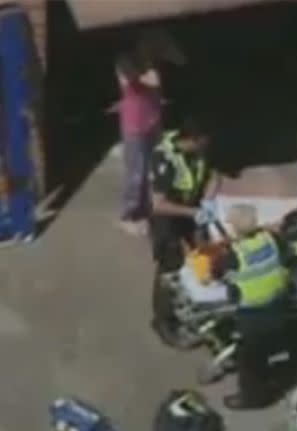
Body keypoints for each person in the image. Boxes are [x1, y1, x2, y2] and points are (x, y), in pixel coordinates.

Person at [148, 118, 221, 347]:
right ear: (192, 140)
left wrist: (208, 201)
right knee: (169, 270)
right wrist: (192, 212)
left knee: (203, 258)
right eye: (203, 143)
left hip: (193, 212)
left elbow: (214, 176)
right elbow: (157, 204)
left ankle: (197, 309)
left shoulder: (200, 151)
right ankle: (164, 321)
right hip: (168, 218)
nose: (206, 148)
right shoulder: (163, 158)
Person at [211, 204, 291, 410]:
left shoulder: (233, 257)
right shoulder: (271, 239)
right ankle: (277, 372)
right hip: (280, 307)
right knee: (270, 346)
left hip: (253, 317)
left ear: (235, 228)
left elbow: (215, 273)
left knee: (249, 363)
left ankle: (252, 398)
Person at [110, 51, 162, 236]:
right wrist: (147, 70)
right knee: (136, 173)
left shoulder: (146, 60)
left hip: (152, 121)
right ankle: (127, 216)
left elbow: (178, 58)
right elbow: (151, 80)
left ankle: (145, 210)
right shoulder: (124, 61)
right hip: (134, 126)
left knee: (153, 168)